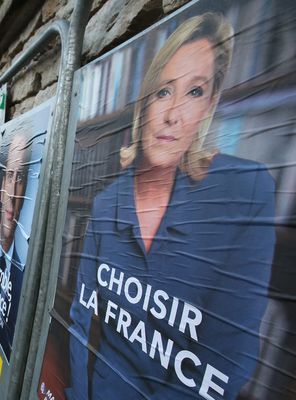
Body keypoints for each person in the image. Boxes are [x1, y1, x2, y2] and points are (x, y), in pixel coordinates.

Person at [67, 12, 276, 400]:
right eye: (164, 90)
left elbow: (229, 357)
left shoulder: (245, 190)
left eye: (194, 92)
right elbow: (81, 321)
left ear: (210, 103)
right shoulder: (107, 202)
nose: (173, 114)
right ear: (144, 102)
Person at [0, 128, 32, 359]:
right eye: (9, 176)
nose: (11, 193)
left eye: (20, 178)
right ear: (1, 187)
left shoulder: (23, 281)